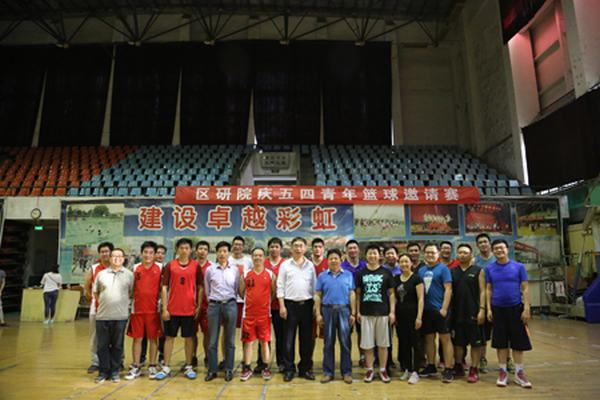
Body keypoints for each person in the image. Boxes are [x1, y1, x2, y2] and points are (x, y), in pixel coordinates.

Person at [486, 239, 532, 389]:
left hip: (516, 309)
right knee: (501, 343)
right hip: (497, 309)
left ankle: (519, 373)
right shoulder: (490, 268)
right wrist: (489, 309)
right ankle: (503, 372)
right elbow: (488, 289)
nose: (499, 251)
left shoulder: (519, 267)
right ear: (493, 251)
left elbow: (525, 288)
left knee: (518, 342)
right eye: (496, 249)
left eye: (502, 248)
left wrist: (526, 308)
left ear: (507, 249)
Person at [155, 238, 202, 380]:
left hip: (189, 309)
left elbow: (200, 287)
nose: (184, 250)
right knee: (169, 338)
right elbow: (164, 287)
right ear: (176, 249)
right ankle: (166, 366)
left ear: (191, 250)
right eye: (181, 248)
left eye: (187, 248)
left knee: (189, 338)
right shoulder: (170, 265)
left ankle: (188, 366)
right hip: (172, 310)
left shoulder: (195, 266)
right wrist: (165, 308)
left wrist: (198, 306)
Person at [277, 237, 317, 382]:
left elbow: (314, 287)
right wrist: (282, 306)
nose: (298, 248)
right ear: (291, 248)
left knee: (306, 339)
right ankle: (289, 369)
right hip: (290, 306)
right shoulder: (285, 265)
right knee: (288, 340)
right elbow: (280, 286)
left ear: (305, 248)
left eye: (301, 246)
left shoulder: (310, 265)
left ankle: (304, 369)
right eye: (296, 246)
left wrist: (315, 306)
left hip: (307, 305)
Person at [315, 249, 356, 384]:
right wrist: (318, 314)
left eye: (336, 258)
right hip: (327, 310)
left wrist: (353, 313)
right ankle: (328, 372)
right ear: (327, 261)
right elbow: (318, 295)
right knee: (328, 343)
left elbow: (352, 294)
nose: (333, 260)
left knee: (345, 343)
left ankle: (347, 372)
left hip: (344, 310)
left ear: (341, 259)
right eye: (331, 258)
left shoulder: (348, 275)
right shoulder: (322, 276)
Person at [93, 248, 134, 383]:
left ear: (124, 258)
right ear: (110, 259)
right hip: (102, 316)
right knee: (102, 345)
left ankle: (115, 371)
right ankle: (103, 372)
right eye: (114, 256)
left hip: (120, 317)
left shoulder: (129, 275)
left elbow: (131, 293)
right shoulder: (101, 274)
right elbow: (96, 293)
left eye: (120, 256)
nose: (117, 258)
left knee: (117, 345)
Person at [356, 244, 396, 383]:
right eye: (370, 253)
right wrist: (358, 311)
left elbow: (391, 294)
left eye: (375, 253)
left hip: (383, 313)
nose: (372, 256)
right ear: (366, 256)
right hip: (366, 313)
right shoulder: (361, 273)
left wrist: (392, 312)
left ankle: (383, 369)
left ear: (379, 256)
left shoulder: (386, 273)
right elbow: (358, 294)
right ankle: (370, 369)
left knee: (383, 344)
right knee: (367, 344)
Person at [125, 241, 163, 380]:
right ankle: (136, 366)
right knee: (137, 339)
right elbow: (131, 288)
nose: (148, 255)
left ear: (155, 255)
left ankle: (152, 365)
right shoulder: (135, 268)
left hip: (154, 310)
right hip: (137, 310)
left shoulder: (160, 267)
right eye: (145, 252)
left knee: (153, 339)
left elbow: (162, 288)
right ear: (141, 253)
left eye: (151, 253)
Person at [418, 243, 454, 383]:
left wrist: (444, 308)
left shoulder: (443, 269)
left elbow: (448, 289)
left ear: (438, 254)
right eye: (427, 252)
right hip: (426, 311)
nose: (430, 255)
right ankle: (431, 365)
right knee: (429, 339)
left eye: (432, 252)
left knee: (445, 339)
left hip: (440, 310)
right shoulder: (421, 270)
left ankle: (448, 368)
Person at [204, 241, 240, 382]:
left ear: (229, 253)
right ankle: (212, 370)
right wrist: (213, 301)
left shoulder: (235, 270)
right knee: (212, 340)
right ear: (216, 253)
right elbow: (207, 290)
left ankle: (228, 369)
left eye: (225, 251)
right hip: (214, 306)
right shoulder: (210, 270)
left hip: (230, 305)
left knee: (230, 340)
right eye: (220, 251)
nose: (222, 254)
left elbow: (236, 289)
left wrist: (229, 301)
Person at [239, 247, 276, 381]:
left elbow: (273, 293)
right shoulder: (245, 274)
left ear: (264, 257)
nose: (258, 258)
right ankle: (247, 368)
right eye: (255, 255)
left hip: (264, 315)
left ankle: (265, 368)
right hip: (248, 315)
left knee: (264, 342)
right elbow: (241, 292)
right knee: (248, 342)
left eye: (260, 255)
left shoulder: (270, 274)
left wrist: (264, 303)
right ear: (251, 257)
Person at [451, 244, 486, 383]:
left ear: (471, 255)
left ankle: (474, 368)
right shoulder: (452, 271)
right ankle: (458, 365)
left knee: (476, 343)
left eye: (465, 252)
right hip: (457, 312)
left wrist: (482, 309)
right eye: (460, 252)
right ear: (457, 255)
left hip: (474, 312)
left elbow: (483, 291)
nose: (462, 255)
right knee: (458, 343)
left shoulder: (478, 270)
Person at [394, 253, 423, 385]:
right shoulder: (396, 279)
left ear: (411, 263)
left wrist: (419, 317)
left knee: (415, 344)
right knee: (404, 343)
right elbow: (394, 298)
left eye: (406, 261)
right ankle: (407, 369)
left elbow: (421, 299)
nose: (404, 264)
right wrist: (394, 314)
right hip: (401, 316)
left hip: (413, 315)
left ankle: (416, 371)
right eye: (401, 262)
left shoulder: (416, 278)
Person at [84, 241, 113, 374]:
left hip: (113, 309)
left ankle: (116, 361)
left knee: (114, 336)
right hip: (96, 308)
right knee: (95, 336)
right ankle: (96, 361)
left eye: (107, 251)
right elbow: (87, 286)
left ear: (111, 253)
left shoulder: (116, 267)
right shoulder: (94, 268)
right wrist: (92, 299)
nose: (104, 254)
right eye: (102, 252)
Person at [340, 239, 367, 366]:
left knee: (363, 332)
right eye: (350, 248)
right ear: (346, 251)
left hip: (363, 303)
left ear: (358, 250)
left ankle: (363, 356)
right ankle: (347, 358)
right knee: (346, 333)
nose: (352, 250)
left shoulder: (365, 265)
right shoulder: (342, 267)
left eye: (354, 248)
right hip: (346, 304)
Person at [140, 243, 167, 367]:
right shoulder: (139, 268)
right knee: (143, 334)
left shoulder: (164, 268)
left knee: (160, 333)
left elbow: (165, 287)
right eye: (158, 253)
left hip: (159, 306)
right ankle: (141, 357)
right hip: (143, 307)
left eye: (162, 253)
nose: (159, 255)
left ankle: (160, 356)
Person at [474, 233, 496, 372]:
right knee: (483, 334)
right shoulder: (474, 261)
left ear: (489, 243)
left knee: (503, 333)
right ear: (477, 245)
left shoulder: (497, 259)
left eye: (485, 241)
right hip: (482, 302)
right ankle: (482, 359)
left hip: (498, 301)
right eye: (480, 242)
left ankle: (508, 359)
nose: (483, 244)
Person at [264, 237, 286, 373]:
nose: (274, 249)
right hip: (264, 307)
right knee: (264, 337)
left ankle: (282, 362)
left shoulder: (285, 264)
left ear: (281, 249)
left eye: (276, 247)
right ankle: (263, 363)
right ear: (268, 248)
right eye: (272, 246)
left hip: (279, 306)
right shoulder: (263, 262)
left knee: (281, 336)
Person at [193, 240, 213, 368]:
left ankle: (207, 357)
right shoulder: (191, 265)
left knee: (207, 333)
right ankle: (192, 357)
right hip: (191, 305)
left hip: (207, 306)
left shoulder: (212, 267)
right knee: (191, 333)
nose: (202, 251)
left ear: (208, 252)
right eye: (200, 249)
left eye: (205, 249)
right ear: (196, 251)